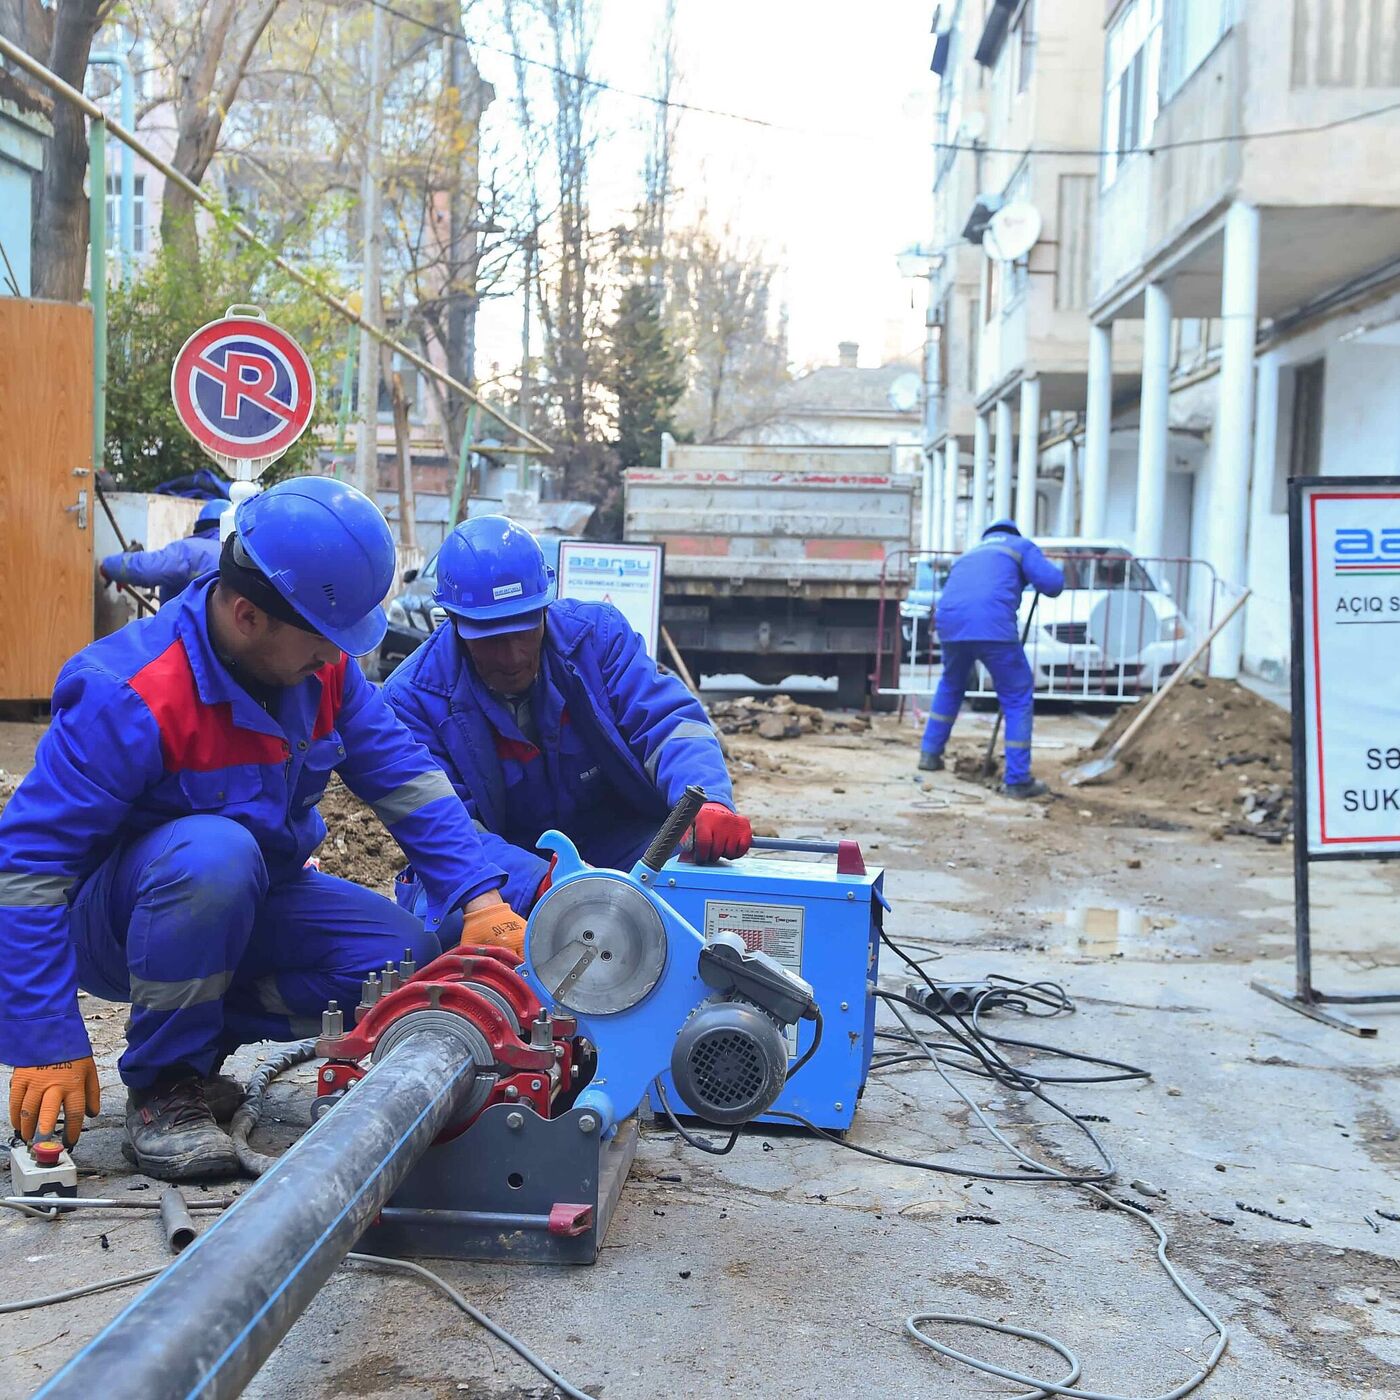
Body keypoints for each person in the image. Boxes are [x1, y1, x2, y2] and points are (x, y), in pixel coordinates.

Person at [0, 477, 524, 1181]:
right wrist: (45, 1038)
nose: (335, 659)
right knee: (213, 852)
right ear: (248, 615)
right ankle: (162, 1086)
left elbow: (404, 777)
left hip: (250, 895)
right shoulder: (129, 693)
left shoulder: (317, 669)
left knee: (405, 960)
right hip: (122, 919)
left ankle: (203, 1037)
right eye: (323, 641)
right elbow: (29, 867)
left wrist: (479, 896)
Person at [383, 516, 752, 916]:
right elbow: (449, 830)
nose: (513, 658)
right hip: (500, 866)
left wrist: (706, 799)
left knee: (695, 887)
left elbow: (669, 725)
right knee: (445, 918)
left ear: (545, 607)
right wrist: (541, 882)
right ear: (453, 622)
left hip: (615, 841)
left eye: (524, 631)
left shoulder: (597, 639)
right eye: (490, 639)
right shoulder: (413, 698)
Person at [918, 519, 1065, 798]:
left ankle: (929, 754)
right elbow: (1053, 584)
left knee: (951, 685)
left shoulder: (970, 554)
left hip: (950, 624)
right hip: (991, 625)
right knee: (1017, 695)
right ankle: (1018, 780)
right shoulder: (1020, 546)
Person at [100, 498, 228, 605]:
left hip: (184, 631)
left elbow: (147, 569)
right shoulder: (238, 553)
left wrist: (109, 566)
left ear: (200, 525)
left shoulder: (189, 550)